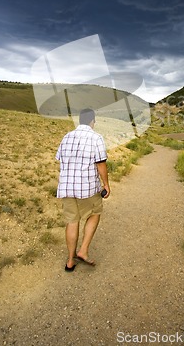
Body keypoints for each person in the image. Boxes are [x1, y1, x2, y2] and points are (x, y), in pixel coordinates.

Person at [56, 108, 110, 272]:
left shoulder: (67, 137)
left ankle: (70, 261)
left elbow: (60, 159)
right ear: (92, 121)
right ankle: (83, 250)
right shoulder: (96, 138)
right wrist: (106, 184)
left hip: (66, 187)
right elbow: (101, 164)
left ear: (80, 120)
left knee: (72, 222)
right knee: (94, 214)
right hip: (87, 188)